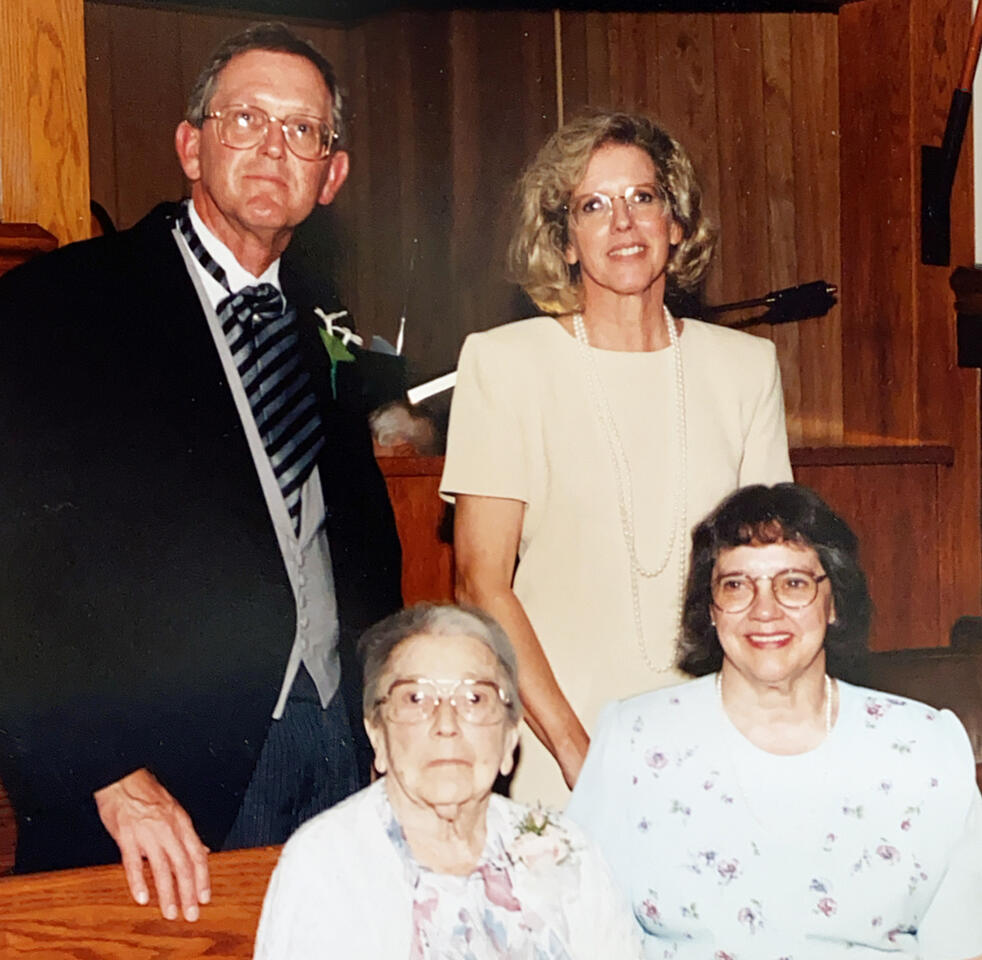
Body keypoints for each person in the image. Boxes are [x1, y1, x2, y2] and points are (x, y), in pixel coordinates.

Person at [0, 23, 401, 922]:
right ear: (191, 144)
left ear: (330, 177)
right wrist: (102, 769)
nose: (273, 146)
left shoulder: (324, 330)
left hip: (336, 757)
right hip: (154, 787)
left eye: (304, 131)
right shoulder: (59, 306)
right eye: (246, 118)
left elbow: (359, 550)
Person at [440, 111, 792, 805]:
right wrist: (578, 754)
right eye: (593, 206)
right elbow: (479, 584)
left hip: (718, 744)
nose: (623, 224)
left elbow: (772, 575)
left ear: (677, 222)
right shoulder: (506, 364)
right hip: (562, 749)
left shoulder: (746, 368)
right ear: (566, 241)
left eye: (643, 198)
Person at [568, 483, 982, 958]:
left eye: (793, 583)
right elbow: (584, 932)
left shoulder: (925, 750)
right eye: (737, 585)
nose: (764, 611)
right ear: (710, 607)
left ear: (834, 603)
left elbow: (964, 944)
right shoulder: (633, 742)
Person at [253, 604, 642, 959]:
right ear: (378, 737)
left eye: (474, 699)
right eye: (415, 699)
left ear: (509, 738)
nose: (446, 725)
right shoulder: (326, 864)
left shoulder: (567, 850)